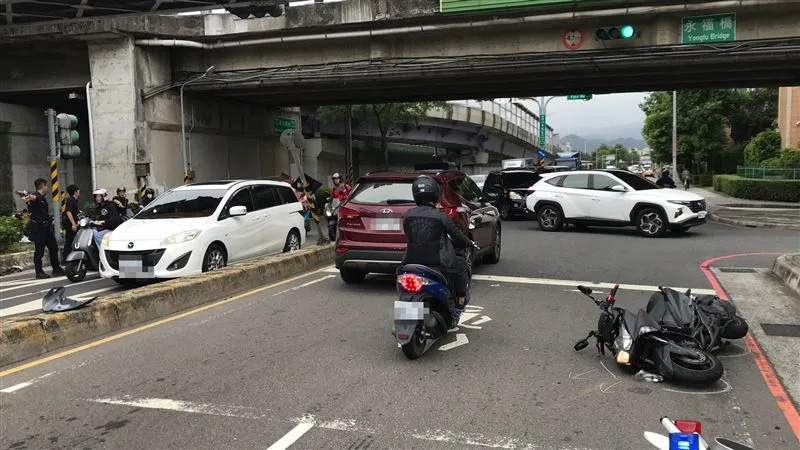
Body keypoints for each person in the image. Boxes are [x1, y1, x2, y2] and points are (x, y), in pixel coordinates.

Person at [402, 175, 473, 309]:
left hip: (410, 261)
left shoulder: (407, 215)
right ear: (435, 194)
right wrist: (468, 242)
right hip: (439, 264)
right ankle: (460, 299)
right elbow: (457, 236)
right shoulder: (440, 216)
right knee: (460, 261)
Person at [22, 178, 65, 279]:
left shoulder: (42, 197)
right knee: (39, 250)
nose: (47, 188)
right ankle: (39, 272)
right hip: (39, 227)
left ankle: (56, 268)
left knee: (53, 247)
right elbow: (32, 197)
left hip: (46, 227)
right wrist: (27, 195)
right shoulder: (36, 196)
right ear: (42, 186)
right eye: (46, 185)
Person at [62, 184, 80, 261]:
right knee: (69, 241)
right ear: (75, 192)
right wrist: (73, 224)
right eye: (78, 190)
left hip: (73, 223)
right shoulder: (70, 200)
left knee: (72, 241)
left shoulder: (74, 200)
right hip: (70, 225)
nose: (79, 192)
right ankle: (66, 258)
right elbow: (68, 212)